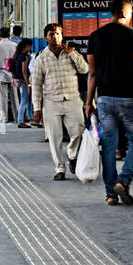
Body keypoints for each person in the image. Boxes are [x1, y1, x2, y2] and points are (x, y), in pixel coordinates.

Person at [85, 0, 133, 206]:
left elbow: (92, 73)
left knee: (108, 145)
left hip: (105, 99)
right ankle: (123, 182)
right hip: (129, 98)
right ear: (125, 13)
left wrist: (89, 102)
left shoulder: (95, 36)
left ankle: (110, 194)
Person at [31, 23, 88, 180]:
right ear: (46, 38)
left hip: (72, 100)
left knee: (78, 133)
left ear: (62, 35)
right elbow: (36, 84)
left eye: (57, 34)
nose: (55, 37)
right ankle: (59, 168)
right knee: (54, 137)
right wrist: (37, 109)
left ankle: (72, 154)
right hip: (51, 102)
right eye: (51, 34)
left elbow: (85, 69)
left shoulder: (71, 53)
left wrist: (73, 54)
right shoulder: (41, 58)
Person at [0, 27, 19, 123]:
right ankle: (17, 117)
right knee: (15, 97)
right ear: (9, 34)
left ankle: (4, 117)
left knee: (3, 97)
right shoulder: (15, 45)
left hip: (2, 74)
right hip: (13, 75)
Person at [12, 38, 33, 126]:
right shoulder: (24, 56)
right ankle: (20, 120)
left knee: (27, 100)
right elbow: (24, 71)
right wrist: (28, 84)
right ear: (27, 46)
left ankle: (31, 117)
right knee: (24, 100)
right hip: (23, 80)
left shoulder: (17, 54)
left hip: (18, 79)